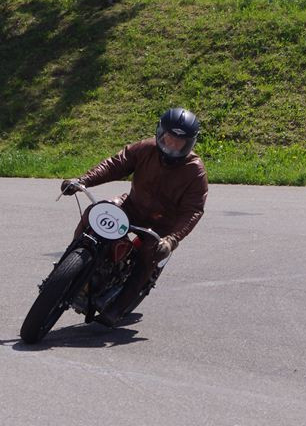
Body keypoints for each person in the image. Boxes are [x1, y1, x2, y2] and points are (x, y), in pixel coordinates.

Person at [60, 107, 208, 326]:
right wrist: (83, 181)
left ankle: (118, 307)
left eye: (179, 142)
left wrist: (171, 239)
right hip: (132, 207)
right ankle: (69, 262)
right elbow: (116, 164)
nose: (172, 146)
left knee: (151, 253)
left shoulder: (195, 172)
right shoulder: (145, 149)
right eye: (168, 138)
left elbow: (193, 210)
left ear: (189, 143)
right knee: (96, 211)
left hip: (161, 225)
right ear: (160, 133)